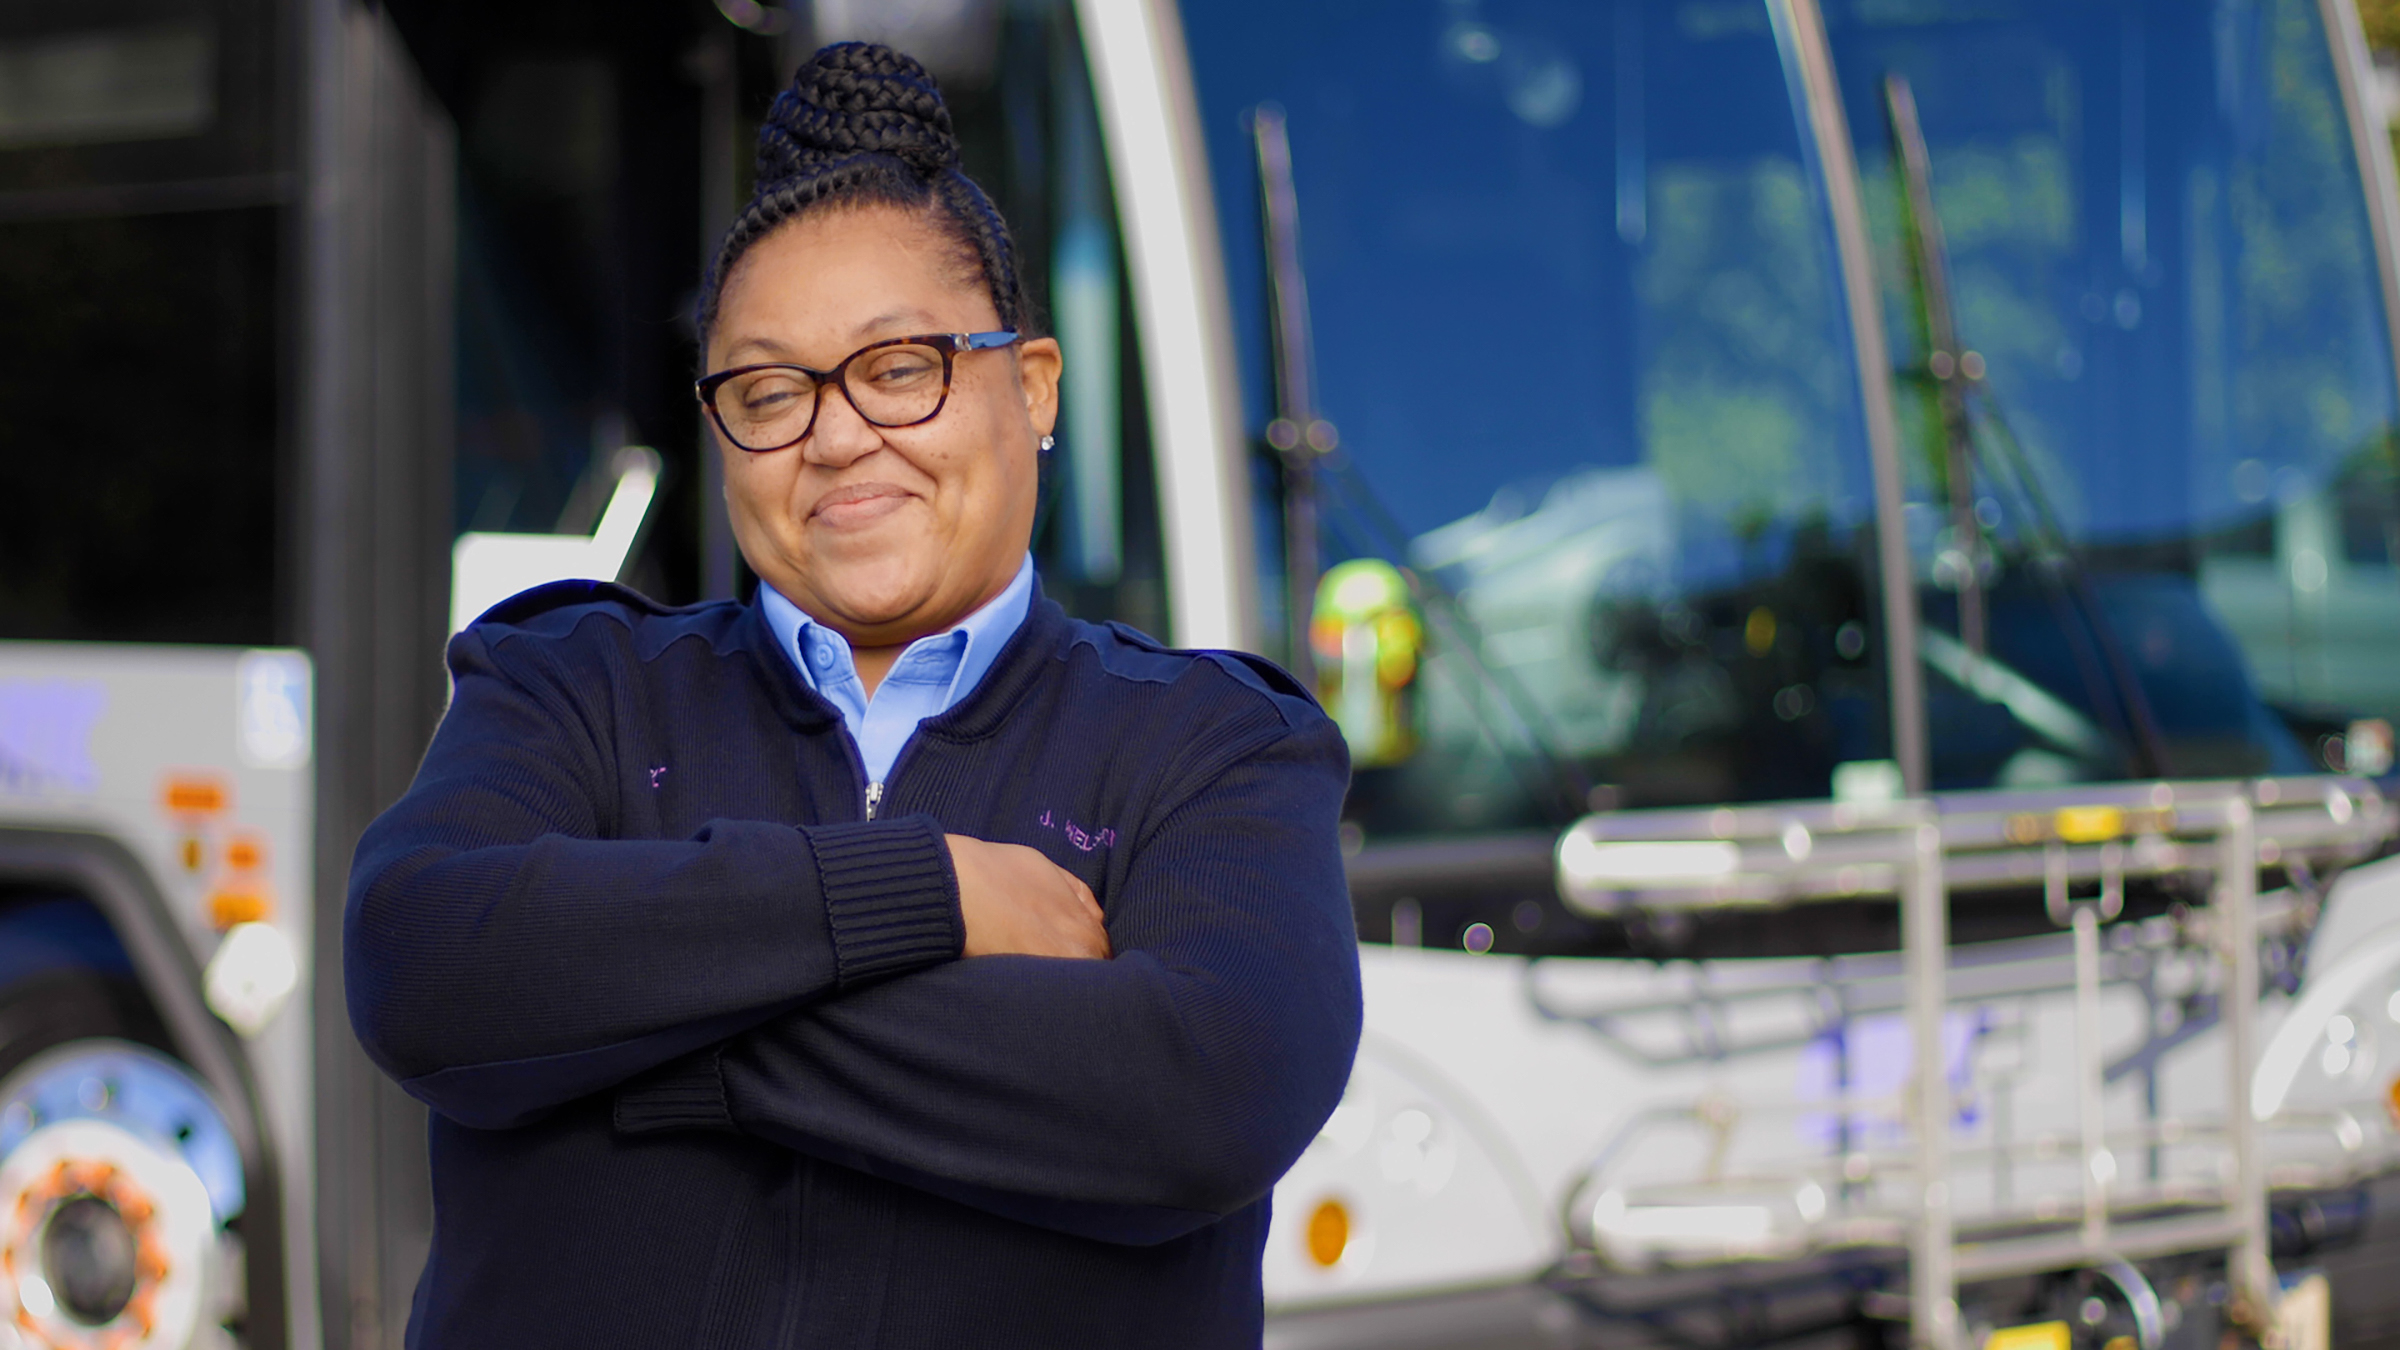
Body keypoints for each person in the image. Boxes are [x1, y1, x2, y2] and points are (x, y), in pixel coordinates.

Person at [344, 41, 1361, 1349]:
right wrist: (922, 890)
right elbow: (421, 958)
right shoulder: (572, 683)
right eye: (768, 391)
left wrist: (646, 1039)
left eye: (898, 369)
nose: (832, 436)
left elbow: (1202, 1092)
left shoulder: (1211, 745)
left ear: (1034, 385)